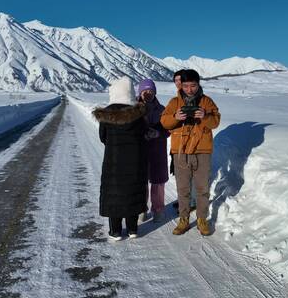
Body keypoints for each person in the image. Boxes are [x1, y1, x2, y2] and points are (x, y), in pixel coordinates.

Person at [160, 69, 220, 236]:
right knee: (183, 189)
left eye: (193, 85)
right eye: (185, 86)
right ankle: (184, 219)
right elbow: (164, 122)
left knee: (202, 188)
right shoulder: (174, 102)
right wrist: (175, 118)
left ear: (198, 84)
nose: (189, 89)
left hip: (202, 150)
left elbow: (215, 122)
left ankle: (201, 219)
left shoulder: (207, 101)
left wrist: (205, 116)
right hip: (181, 151)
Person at [93, 76, 148, 240]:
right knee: (133, 191)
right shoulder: (138, 114)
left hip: (114, 162)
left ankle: (115, 231)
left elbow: (103, 138)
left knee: (114, 194)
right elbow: (143, 135)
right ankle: (132, 230)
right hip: (135, 162)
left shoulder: (107, 115)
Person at [137, 79, 169, 223]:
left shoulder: (162, 110)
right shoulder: (133, 108)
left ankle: (158, 210)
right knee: (140, 181)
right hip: (139, 150)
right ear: (140, 92)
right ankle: (141, 209)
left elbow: (168, 128)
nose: (148, 93)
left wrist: (158, 133)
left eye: (151, 91)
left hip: (157, 150)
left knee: (158, 183)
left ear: (155, 92)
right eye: (145, 91)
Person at [170, 69, 197, 214]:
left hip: (190, 142)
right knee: (180, 174)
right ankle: (184, 199)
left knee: (190, 174)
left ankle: (191, 202)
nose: (178, 83)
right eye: (176, 80)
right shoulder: (177, 98)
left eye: (181, 80)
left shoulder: (193, 98)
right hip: (178, 142)